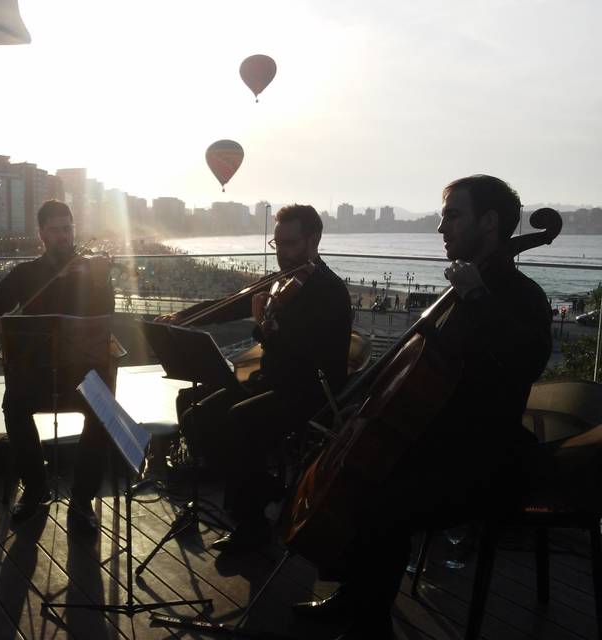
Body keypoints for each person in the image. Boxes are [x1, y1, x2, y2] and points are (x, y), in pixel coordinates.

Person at [291, 175, 553, 639]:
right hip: (431, 443)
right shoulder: (463, 290)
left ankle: (369, 626)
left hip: (480, 459)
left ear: (490, 223)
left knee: (378, 495)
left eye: (453, 215)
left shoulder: (520, 295)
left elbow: (526, 361)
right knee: (362, 472)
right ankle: (355, 600)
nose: (440, 228)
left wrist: (475, 296)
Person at [160, 204, 352, 552]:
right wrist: (181, 318)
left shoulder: (329, 291)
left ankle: (252, 525)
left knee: (240, 419)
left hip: (311, 389)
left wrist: (268, 330)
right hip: (273, 381)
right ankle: (263, 487)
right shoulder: (281, 282)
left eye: (289, 244)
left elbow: (309, 355)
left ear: (314, 240)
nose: (281, 254)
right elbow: (230, 304)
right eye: (276, 244)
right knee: (196, 416)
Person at [0, 200, 114, 531]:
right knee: (13, 406)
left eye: (68, 228)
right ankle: (35, 488)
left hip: (80, 371)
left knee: (103, 408)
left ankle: (82, 498)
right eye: (56, 230)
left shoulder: (91, 271)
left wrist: (100, 280)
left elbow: (105, 311)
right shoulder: (25, 274)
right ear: (42, 235)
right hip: (37, 371)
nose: (64, 236)